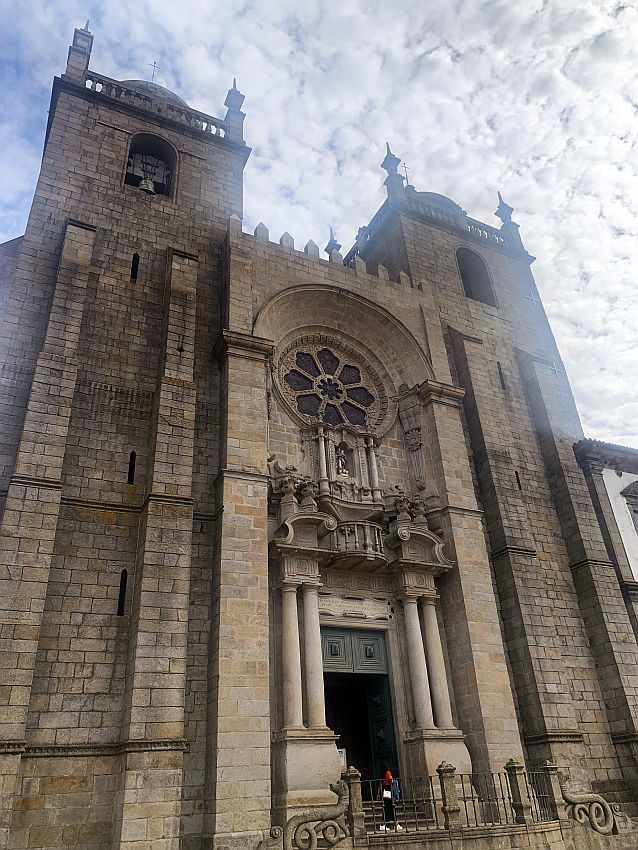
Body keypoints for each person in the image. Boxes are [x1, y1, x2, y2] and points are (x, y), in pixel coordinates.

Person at [377, 765, 403, 831]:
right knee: (390, 807)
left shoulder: (382, 775)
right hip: (389, 790)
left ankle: (395, 824)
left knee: (389, 808)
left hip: (384, 791)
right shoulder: (388, 772)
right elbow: (391, 780)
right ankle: (384, 824)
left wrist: (378, 794)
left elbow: (380, 784)